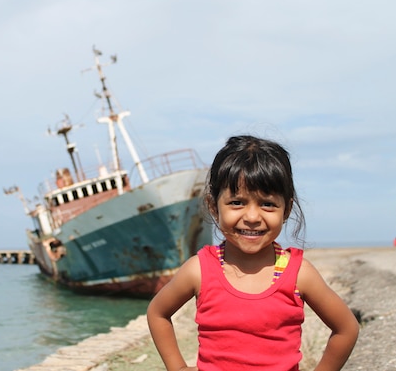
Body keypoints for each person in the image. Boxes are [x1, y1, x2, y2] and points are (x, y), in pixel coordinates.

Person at [147, 135, 359, 371]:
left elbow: (346, 329)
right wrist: (177, 367)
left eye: (267, 204)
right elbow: (158, 313)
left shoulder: (299, 273)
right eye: (237, 202)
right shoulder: (199, 270)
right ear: (213, 206)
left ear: (286, 209)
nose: (251, 217)